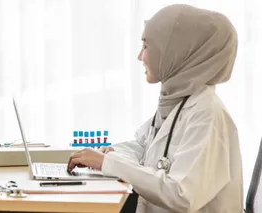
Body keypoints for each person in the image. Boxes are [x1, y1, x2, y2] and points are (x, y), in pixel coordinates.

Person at [67, 4, 243, 213]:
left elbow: (181, 194)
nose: (140, 57)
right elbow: (145, 148)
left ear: (176, 52)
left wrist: (108, 163)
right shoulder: (179, 101)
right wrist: (112, 153)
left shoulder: (207, 114)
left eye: (147, 46)